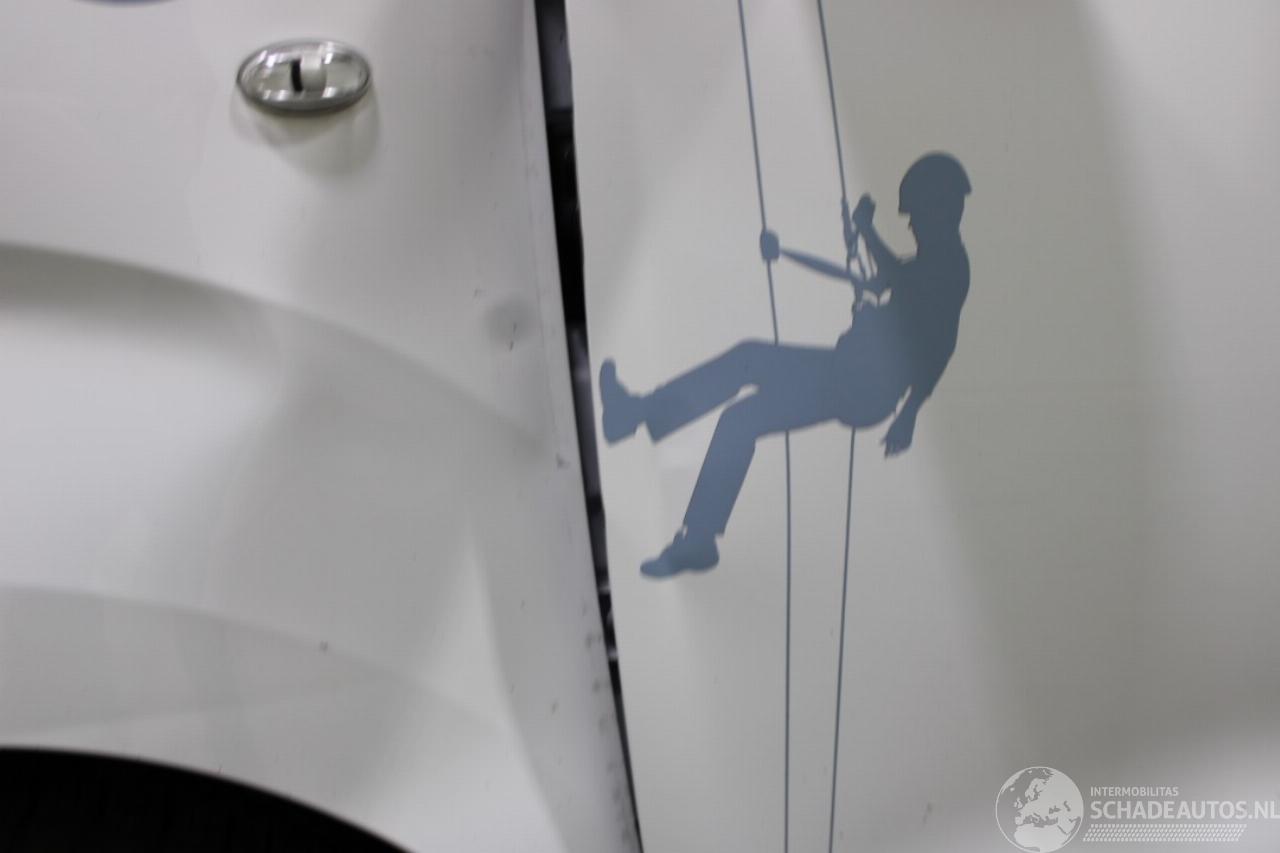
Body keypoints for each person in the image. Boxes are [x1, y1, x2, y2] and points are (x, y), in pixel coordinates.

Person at [600, 153, 971, 577]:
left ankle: (641, 422)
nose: (912, 225)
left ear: (942, 209)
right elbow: (883, 279)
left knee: (746, 378)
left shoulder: (948, 269)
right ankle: (690, 521)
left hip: (860, 387)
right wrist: (789, 252)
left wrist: (908, 414)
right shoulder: (932, 265)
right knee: (745, 390)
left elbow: (935, 343)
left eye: (917, 215)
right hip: (849, 374)